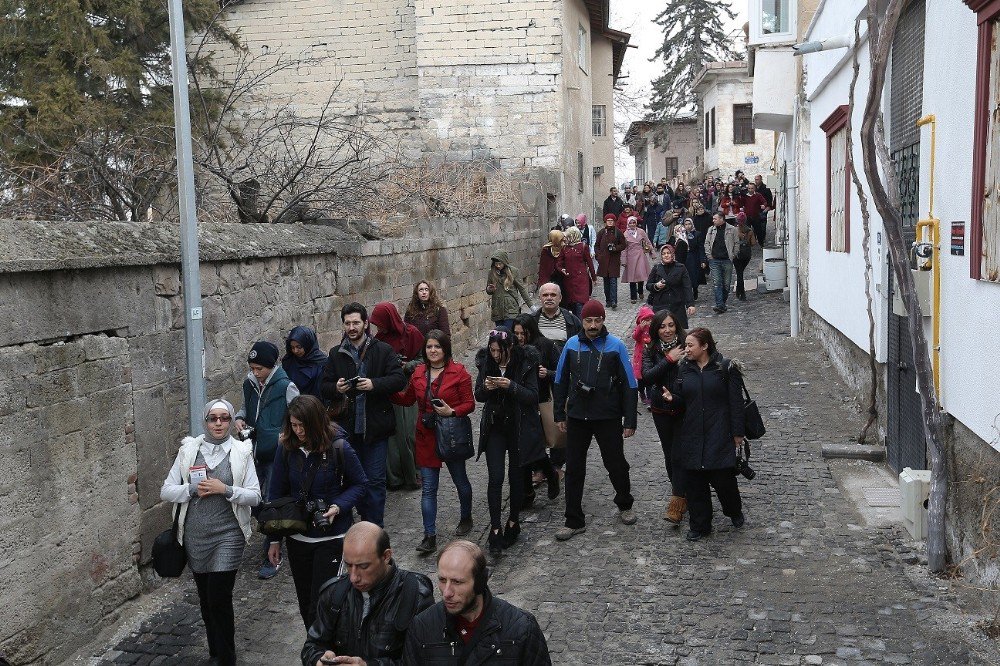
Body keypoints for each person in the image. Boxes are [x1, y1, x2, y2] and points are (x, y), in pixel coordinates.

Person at [160, 399, 261, 666]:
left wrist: (225, 490)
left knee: (219, 596)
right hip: (195, 534)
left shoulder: (241, 452)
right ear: (205, 421)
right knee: (205, 600)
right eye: (213, 418)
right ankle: (215, 652)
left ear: (230, 421)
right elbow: (166, 490)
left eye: (225, 418)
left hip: (229, 534)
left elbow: (255, 496)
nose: (218, 423)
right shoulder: (189, 451)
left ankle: (227, 658)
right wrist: (191, 490)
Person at [267, 395, 368, 628]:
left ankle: (327, 651)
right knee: (305, 602)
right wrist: (274, 539)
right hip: (298, 536)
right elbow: (277, 494)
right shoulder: (286, 449)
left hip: (331, 536)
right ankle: (315, 652)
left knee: (323, 602)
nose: (299, 431)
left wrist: (338, 506)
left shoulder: (338, 446)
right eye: (294, 425)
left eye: (303, 425)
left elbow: (361, 484)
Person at [552, 300, 638, 541]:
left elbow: (630, 384)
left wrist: (629, 420)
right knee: (574, 469)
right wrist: (559, 414)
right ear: (582, 321)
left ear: (603, 321)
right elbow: (559, 381)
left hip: (607, 416)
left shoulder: (616, 346)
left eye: (597, 320)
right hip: (578, 416)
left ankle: (624, 503)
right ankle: (573, 519)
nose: (592, 325)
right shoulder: (571, 345)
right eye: (588, 321)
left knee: (616, 464)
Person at [321, 303, 407, 528]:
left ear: (365, 324)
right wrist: (336, 388)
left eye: (356, 323)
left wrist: (374, 384)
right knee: (351, 480)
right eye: (347, 323)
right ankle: (356, 526)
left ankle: (374, 529)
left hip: (375, 428)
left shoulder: (382, 350)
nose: (351, 327)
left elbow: (399, 379)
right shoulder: (336, 353)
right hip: (347, 430)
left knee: (376, 482)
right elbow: (324, 386)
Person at [302, 522, 435, 666]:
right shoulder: (335, 592)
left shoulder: (416, 596)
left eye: (363, 566)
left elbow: (425, 660)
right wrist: (319, 659)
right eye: (348, 565)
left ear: (386, 556)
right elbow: (312, 645)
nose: (353, 577)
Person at [393, 330, 475, 554]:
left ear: (445, 349)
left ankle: (466, 517)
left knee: (460, 479)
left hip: (450, 434)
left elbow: (470, 404)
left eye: (437, 346)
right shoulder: (419, 373)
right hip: (426, 435)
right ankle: (429, 536)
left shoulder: (459, 372)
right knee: (429, 488)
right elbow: (407, 398)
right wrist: (385, 389)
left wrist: (452, 411)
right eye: (429, 347)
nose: (433, 351)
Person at [404, 540, 552, 664]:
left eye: (457, 582)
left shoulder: (521, 629)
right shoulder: (421, 627)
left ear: (480, 583)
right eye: (442, 580)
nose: (447, 592)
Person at [662, 328, 746, 541]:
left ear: (705, 346)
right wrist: (673, 398)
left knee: (723, 480)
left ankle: (734, 511)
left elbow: (735, 403)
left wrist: (737, 433)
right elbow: (683, 400)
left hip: (719, 432)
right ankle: (700, 525)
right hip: (692, 434)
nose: (686, 349)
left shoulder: (725, 368)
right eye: (686, 345)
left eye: (690, 345)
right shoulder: (684, 369)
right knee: (695, 482)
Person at [474, 327, 548, 557]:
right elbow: (478, 395)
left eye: (500, 351)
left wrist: (510, 386)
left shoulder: (525, 362)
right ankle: (495, 527)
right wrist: (486, 388)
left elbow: (533, 396)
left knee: (515, 476)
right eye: (492, 350)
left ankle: (513, 521)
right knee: (495, 477)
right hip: (495, 426)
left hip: (519, 426)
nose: (495, 355)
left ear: (510, 348)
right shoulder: (487, 361)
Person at [234, 340, 299, 579]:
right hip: (252, 451)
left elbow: (298, 414)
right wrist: (240, 418)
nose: (255, 373)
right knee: (252, 500)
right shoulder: (249, 384)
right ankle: (278, 529)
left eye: (259, 368)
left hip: (277, 455)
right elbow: (244, 409)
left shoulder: (286, 386)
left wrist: (287, 436)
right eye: (252, 368)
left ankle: (272, 554)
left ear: (271, 366)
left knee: (273, 501)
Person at [370, 301, 425, 493]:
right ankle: (394, 478)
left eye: (380, 322)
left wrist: (406, 366)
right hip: (389, 391)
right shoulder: (378, 340)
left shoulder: (412, 334)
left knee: (409, 434)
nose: (378, 327)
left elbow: (424, 359)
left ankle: (413, 473)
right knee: (393, 438)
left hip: (409, 389)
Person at [640, 310, 688, 525]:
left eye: (670, 325)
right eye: (662, 326)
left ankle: (677, 501)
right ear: (656, 329)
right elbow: (647, 377)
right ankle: (679, 491)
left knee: (679, 453)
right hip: (661, 409)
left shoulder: (689, 344)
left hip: (684, 407)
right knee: (669, 454)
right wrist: (669, 359)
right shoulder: (651, 350)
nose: (667, 330)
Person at [511, 314, 562, 505]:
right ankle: (527, 492)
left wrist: (547, 373)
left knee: (533, 447)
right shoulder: (513, 347)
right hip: (520, 403)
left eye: (523, 333)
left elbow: (563, 372)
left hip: (540, 403)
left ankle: (548, 475)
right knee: (523, 449)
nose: (519, 337)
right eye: (516, 333)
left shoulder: (546, 345)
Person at [646, 244, 696, 329]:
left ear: (672, 254)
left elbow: (687, 286)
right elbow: (648, 285)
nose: (666, 255)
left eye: (668, 253)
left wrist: (690, 304)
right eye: (664, 253)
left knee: (678, 331)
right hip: (660, 304)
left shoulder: (681, 268)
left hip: (677, 304)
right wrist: (656, 285)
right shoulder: (657, 268)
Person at [555, 226, 596, 317]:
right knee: (572, 303)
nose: (565, 238)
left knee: (580, 303)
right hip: (569, 280)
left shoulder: (583, 247)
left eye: (568, 236)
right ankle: (575, 325)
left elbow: (589, 263)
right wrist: (562, 270)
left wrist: (594, 277)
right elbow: (559, 263)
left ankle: (581, 325)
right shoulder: (565, 248)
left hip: (581, 280)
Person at [485, 250, 532, 330]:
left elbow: (522, 289)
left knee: (507, 332)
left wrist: (531, 305)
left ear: (505, 262)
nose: (498, 266)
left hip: (511, 308)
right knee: (501, 334)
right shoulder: (491, 273)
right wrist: (489, 289)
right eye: (496, 264)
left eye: (500, 263)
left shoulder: (514, 272)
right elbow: (488, 290)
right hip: (497, 309)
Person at [704, 212, 739, 314]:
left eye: (715, 219)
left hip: (727, 260)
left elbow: (736, 243)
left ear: (722, 219)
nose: (713, 221)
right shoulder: (711, 230)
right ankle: (719, 304)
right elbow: (707, 243)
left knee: (726, 284)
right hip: (714, 260)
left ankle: (722, 303)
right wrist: (709, 256)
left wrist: (733, 255)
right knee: (717, 283)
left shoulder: (732, 229)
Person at [283, 326, 329, 400]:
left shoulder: (321, 362)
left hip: (314, 405)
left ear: (307, 344)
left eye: (299, 347)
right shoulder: (288, 360)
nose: (295, 351)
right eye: (292, 347)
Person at [532, 282, 582, 349]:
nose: (549, 298)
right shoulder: (531, 320)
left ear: (560, 298)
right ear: (539, 298)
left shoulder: (573, 321)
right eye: (545, 295)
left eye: (553, 295)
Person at [594, 214, 626, 310]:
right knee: (606, 282)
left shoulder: (618, 232)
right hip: (603, 261)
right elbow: (596, 246)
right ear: (605, 222)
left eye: (612, 220)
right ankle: (608, 300)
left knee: (613, 281)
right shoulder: (602, 232)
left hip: (613, 261)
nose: (610, 222)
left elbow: (623, 245)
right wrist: (598, 256)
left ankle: (614, 301)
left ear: (614, 221)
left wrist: (615, 248)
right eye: (608, 220)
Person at [621, 215, 654, 304]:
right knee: (631, 277)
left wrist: (652, 253)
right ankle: (633, 296)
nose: (632, 224)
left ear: (636, 223)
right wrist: (623, 260)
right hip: (630, 256)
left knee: (641, 274)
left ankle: (640, 290)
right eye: (630, 223)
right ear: (628, 224)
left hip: (640, 255)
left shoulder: (641, 231)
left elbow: (647, 242)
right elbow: (624, 248)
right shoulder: (625, 234)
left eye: (634, 222)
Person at [673, 219, 704, 300]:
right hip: (684, 257)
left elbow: (701, 248)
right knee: (685, 276)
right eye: (686, 224)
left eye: (689, 224)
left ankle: (695, 289)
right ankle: (688, 294)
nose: (688, 226)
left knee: (694, 275)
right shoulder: (681, 235)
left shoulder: (697, 234)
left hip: (694, 257)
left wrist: (703, 260)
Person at [630, 305, 654, 408]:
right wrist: (640, 328)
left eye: (650, 320)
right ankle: (642, 393)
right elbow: (635, 336)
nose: (649, 322)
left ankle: (650, 398)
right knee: (641, 381)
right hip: (640, 359)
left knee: (649, 379)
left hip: (650, 358)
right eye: (646, 320)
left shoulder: (653, 328)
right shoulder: (639, 328)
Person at [734, 213, 758, 301]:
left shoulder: (735, 230)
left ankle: (741, 292)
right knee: (740, 273)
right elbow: (753, 243)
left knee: (739, 273)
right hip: (746, 255)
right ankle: (739, 291)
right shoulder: (750, 231)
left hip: (737, 254)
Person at [536, 228, 565, 293]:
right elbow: (543, 267)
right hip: (549, 278)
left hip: (561, 277)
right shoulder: (546, 250)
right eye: (561, 240)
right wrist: (542, 281)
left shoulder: (564, 248)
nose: (563, 241)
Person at [743, 182, 770, 248]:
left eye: (752, 188)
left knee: (759, 231)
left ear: (754, 189)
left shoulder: (758, 195)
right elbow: (741, 202)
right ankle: (747, 245)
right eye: (749, 188)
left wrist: (764, 205)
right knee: (747, 231)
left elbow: (764, 201)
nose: (750, 190)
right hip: (747, 216)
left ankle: (761, 243)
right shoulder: (745, 196)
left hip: (756, 216)